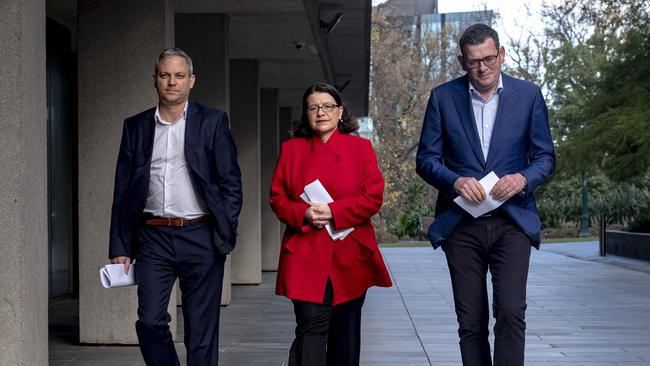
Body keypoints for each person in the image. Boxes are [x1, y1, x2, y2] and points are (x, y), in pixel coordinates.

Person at [415, 24, 555, 366]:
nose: (483, 67)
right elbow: (426, 160)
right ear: (463, 61)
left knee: (510, 313)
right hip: (462, 225)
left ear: (501, 54)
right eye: (474, 61)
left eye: (489, 58)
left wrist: (523, 178)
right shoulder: (443, 98)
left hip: (512, 222)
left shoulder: (529, 95)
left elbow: (545, 158)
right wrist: (456, 182)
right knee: (471, 322)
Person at [108, 48, 242, 366]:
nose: (172, 82)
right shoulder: (136, 126)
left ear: (191, 81)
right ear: (154, 79)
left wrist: (225, 228)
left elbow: (231, 184)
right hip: (152, 237)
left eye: (179, 75)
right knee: (150, 322)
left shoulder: (213, 121)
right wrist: (120, 244)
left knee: (201, 333)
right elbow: (122, 190)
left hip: (201, 235)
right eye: (165, 75)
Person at [269, 83, 392, 366]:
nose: (320, 112)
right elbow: (277, 198)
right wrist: (304, 214)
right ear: (306, 114)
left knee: (345, 336)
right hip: (306, 252)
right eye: (313, 107)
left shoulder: (360, 148)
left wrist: (335, 211)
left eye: (327, 106)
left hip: (350, 254)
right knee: (309, 329)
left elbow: (373, 197)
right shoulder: (292, 150)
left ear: (340, 112)